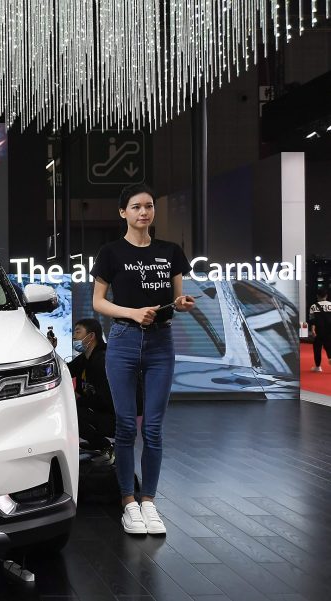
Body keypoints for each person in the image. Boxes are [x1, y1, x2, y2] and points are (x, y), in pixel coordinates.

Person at [91, 183, 196, 536]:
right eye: (136, 207)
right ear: (123, 212)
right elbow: (99, 303)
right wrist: (133, 313)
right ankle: (127, 502)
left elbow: (178, 300)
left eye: (148, 206)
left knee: (152, 428)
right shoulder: (110, 252)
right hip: (122, 339)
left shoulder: (170, 251)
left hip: (160, 343)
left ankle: (148, 501)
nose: (143, 212)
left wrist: (181, 304)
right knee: (123, 425)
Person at [67, 318, 114, 451]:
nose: (74, 337)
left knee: (72, 412)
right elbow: (65, 371)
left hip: (111, 417)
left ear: (91, 336)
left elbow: (106, 400)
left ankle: (102, 444)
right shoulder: (85, 358)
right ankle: (97, 442)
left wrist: (79, 399)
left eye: (78, 332)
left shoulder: (102, 361)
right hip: (96, 410)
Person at [308, 289, 331, 372]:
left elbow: (312, 320)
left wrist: (313, 330)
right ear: (326, 296)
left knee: (317, 348)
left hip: (319, 330)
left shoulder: (313, 306)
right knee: (329, 346)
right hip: (329, 330)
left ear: (317, 296)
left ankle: (318, 367)